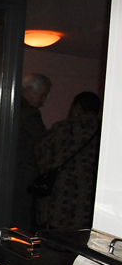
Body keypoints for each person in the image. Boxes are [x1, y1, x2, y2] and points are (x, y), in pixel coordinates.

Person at [34, 91, 101, 230]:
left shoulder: (65, 128)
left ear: (77, 108)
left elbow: (40, 153)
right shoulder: (104, 131)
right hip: (90, 197)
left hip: (61, 195)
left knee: (56, 234)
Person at [14, 72, 51, 232]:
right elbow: (43, 141)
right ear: (29, 90)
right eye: (42, 95)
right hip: (22, 173)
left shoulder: (11, 105)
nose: (43, 102)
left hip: (6, 170)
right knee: (21, 219)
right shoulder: (30, 113)